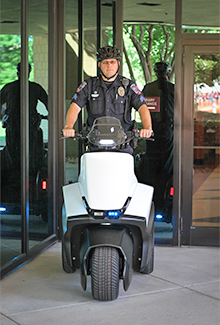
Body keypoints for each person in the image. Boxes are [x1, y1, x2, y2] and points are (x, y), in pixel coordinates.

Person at [62, 45, 153, 153]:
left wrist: (147, 128)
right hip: (95, 144)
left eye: (112, 62)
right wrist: (68, 126)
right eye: (105, 62)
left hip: (122, 145)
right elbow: (75, 106)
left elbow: (142, 107)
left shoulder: (128, 86)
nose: (109, 65)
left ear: (118, 64)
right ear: (99, 64)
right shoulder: (89, 85)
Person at [139, 61, 174, 221]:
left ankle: (153, 201)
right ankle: (164, 202)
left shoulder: (148, 88)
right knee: (167, 167)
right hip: (169, 133)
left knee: (152, 165)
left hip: (152, 133)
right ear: (168, 73)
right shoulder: (174, 89)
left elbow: (142, 109)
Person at [0, 62, 48, 172]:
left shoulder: (9, 88)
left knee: (14, 153)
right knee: (31, 152)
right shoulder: (35, 88)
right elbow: (49, 104)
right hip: (27, 126)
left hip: (19, 126)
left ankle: (16, 173)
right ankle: (29, 172)